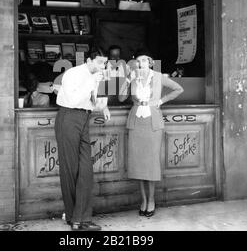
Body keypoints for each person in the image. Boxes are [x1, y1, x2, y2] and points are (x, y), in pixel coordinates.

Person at [119, 49, 184, 217]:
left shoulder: (158, 77)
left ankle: (152, 200)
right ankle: (143, 200)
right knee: (138, 163)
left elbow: (178, 89)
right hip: (136, 123)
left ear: (150, 62)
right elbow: (120, 98)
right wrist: (127, 79)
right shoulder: (132, 77)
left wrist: (161, 101)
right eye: (139, 61)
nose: (141, 64)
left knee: (151, 163)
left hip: (152, 123)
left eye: (145, 61)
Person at [54, 47, 111, 231]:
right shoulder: (73, 73)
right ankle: (75, 219)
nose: (103, 66)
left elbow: (91, 102)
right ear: (88, 60)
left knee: (86, 170)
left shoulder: (94, 78)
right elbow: (73, 99)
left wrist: (104, 105)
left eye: (105, 62)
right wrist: (93, 81)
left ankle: (80, 218)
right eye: (100, 62)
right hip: (68, 117)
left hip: (84, 119)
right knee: (70, 170)